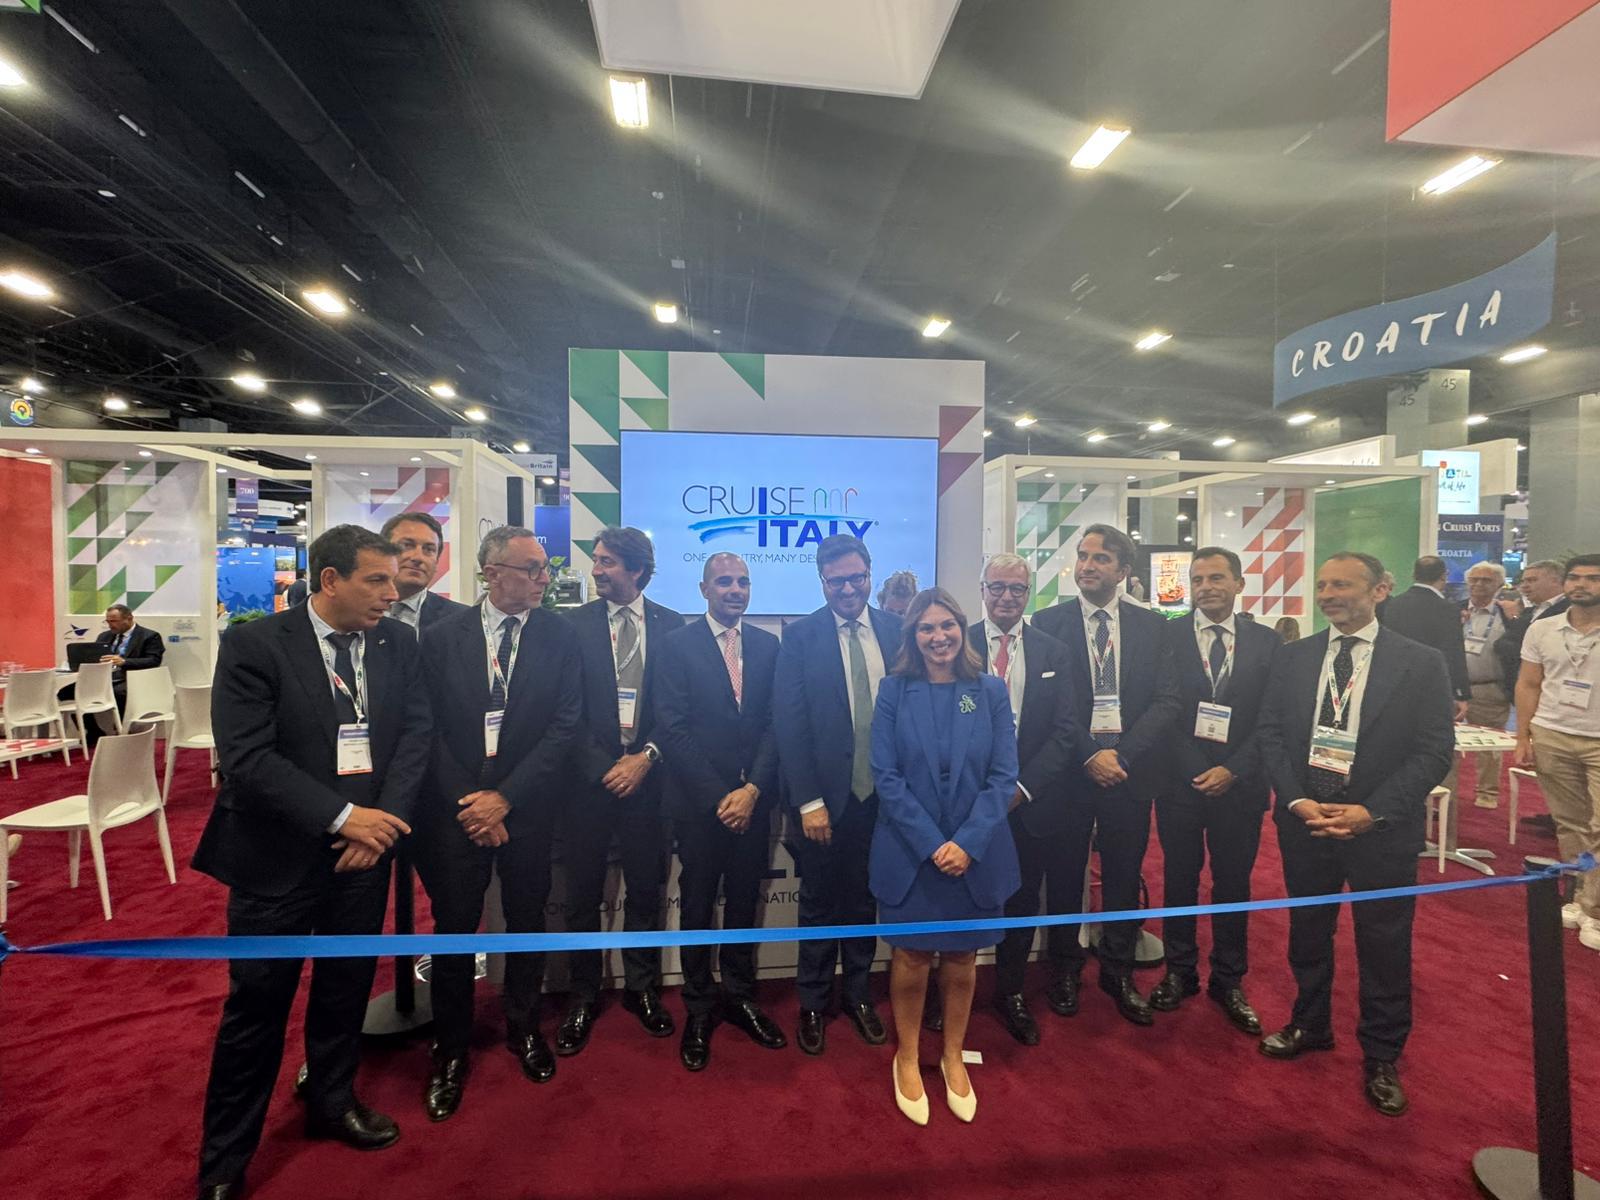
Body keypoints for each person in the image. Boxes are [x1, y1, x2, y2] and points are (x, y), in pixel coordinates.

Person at [192, 525, 431, 1200]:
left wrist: (378, 825)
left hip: (365, 855)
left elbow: (416, 734)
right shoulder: (255, 645)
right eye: (376, 580)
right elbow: (248, 759)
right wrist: (344, 817)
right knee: (257, 1007)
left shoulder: (397, 642)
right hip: (276, 858)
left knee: (344, 989)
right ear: (330, 580)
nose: (391, 593)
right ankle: (225, 1160)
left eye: (392, 581)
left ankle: (332, 1100)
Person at [1256, 551, 1455, 1118]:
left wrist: (1372, 811)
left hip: (1380, 829)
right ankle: (1309, 1023)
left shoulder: (1422, 663)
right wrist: (1296, 800)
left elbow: (1433, 751)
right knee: (1308, 931)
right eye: (1323, 585)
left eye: (1342, 585)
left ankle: (1382, 1054)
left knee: (1384, 943)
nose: (1328, 595)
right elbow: (1271, 733)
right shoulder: (1294, 657)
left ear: (1380, 590)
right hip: (1306, 821)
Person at [412, 525, 581, 1119]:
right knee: (455, 928)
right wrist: (473, 803)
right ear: (491, 574)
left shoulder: (560, 635)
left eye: (544, 569)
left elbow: (565, 725)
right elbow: (426, 728)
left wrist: (505, 799)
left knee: (527, 920)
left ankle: (524, 1027)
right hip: (457, 814)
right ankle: (451, 1047)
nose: (543, 580)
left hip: (527, 809)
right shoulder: (441, 637)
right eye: (531, 569)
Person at [870, 587, 1020, 1125]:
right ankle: (908, 1056)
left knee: (961, 959)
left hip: (974, 854)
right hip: (913, 853)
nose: (939, 637)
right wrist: (934, 845)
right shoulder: (893, 690)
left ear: (962, 628)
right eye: (927, 628)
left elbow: (1003, 776)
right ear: (913, 635)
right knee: (911, 957)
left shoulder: (990, 690)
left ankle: (953, 1054)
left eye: (947, 625)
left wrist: (968, 843)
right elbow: (886, 777)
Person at [1031, 524, 1175, 1025]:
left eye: (1100, 558)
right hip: (1070, 773)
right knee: (1064, 876)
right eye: (1083, 556)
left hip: (1128, 776)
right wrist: (1090, 754)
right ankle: (1065, 969)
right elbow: (1050, 705)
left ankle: (1118, 971)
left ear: (1123, 570)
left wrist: (1122, 756)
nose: (1087, 566)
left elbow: (1167, 701)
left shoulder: (1154, 627)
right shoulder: (1047, 623)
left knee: (1122, 875)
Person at [654, 553, 787, 1071]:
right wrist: (720, 797)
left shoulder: (769, 646)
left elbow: (776, 725)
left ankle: (740, 995)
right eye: (725, 581)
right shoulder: (676, 646)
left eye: (743, 582)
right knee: (697, 904)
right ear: (704, 588)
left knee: (744, 902)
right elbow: (672, 728)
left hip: (753, 803)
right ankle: (699, 1006)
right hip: (700, 807)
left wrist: (751, 790)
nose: (736, 590)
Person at [556, 526, 685, 1054]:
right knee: (582, 895)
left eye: (607, 561)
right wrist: (606, 768)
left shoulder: (672, 626)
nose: (596, 570)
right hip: (586, 786)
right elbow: (564, 710)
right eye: (597, 560)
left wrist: (644, 759)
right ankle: (583, 994)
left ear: (637, 569)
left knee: (646, 891)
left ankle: (642, 988)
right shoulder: (571, 626)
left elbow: (677, 711)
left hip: (650, 784)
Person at [774, 533, 900, 1055]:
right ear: (821, 582)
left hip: (882, 801)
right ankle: (812, 1001)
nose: (848, 589)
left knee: (864, 900)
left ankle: (858, 995)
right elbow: (789, 726)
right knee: (818, 904)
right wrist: (808, 802)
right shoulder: (800, 637)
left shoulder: (896, 631)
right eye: (836, 581)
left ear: (870, 574)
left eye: (856, 578)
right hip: (823, 804)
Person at [1148, 547, 1281, 1034]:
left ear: (1239, 583)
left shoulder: (1267, 643)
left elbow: (1273, 718)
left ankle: (1228, 980)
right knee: (1179, 879)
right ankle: (1179, 972)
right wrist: (1196, 768)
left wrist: (1233, 770)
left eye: (1217, 578)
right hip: (1180, 784)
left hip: (1240, 787)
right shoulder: (1166, 636)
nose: (1206, 587)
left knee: (1233, 884)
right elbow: (1161, 709)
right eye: (1198, 579)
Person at [974, 554, 1082, 1047]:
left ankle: (1010, 991)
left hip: (1028, 803)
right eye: (997, 587)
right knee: (962, 897)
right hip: (968, 801)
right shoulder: (957, 643)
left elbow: (1065, 731)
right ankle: (948, 992)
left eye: (1017, 589)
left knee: (1020, 901)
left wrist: (1020, 790)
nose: (1006, 597)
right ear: (983, 589)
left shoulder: (1053, 652)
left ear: (1028, 594)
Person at [1515, 555, 1600, 952]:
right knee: (1570, 824)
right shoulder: (1543, 628)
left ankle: (1595, 909)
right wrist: (1524, 736)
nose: (1581, 584)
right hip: (1552, 733)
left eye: (1593, 579)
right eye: (1574, 578)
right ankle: (1581, 896)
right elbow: (1529, 684)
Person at [1448, 561, 1517, 808]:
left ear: (1499, 584)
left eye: (1486, 580)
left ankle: (1487, 793)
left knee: (1489, 745)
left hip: (1489, 686)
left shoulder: (1508, 615)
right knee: (1446, 742)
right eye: (1474, 579)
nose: (1479, 584)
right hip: (1452, 687)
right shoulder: (1452, 611)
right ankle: (1447, 792)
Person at [1379, 556, 1472, 720]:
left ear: (1414, 575)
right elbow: (1453, 653)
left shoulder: (1393, 605)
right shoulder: (1448, 609)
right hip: (1434, 686)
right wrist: (1460, 693)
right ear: (1444, 575)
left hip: (1395, 684)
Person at [86, 603, 166, 748]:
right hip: (105, 677)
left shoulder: (149, 636)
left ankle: (122, 732)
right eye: (108, 621)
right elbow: (95, 657)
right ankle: (93, 731)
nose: (110, 625)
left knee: (118, 692)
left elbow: (153, 660)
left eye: (114, 621)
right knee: (70, 691)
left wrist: (124, 662)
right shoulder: (104, 636)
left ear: (129, 619)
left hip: (132, 678)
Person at [380, 511, 470, 635]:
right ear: (382, 551)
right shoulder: (355, 610)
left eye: (429, 549)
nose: (418, 557)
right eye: (407, 545)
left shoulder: (463, 620)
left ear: (437, 560)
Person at [1495, 559, 1571, 696]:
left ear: (1556, 581)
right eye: (1523, 581)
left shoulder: (1571, 610)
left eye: (1532, 580)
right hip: (1524, 688)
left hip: (1553, 691)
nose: (1524, 586)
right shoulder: (1530, 611)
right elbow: (1505, 643)